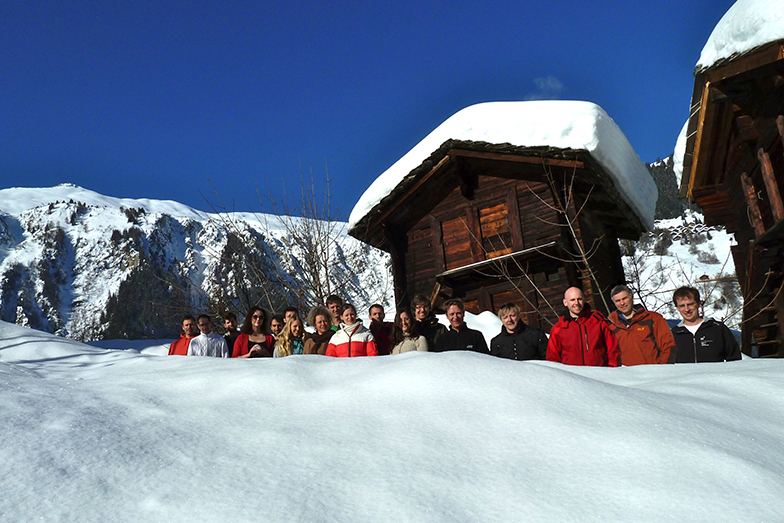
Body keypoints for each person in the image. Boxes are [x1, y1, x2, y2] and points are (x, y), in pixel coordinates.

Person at [546, 287, 620, 367]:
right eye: (572, 300)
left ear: (584, 300)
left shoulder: (598, 322)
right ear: (565, 302)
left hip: (599, 373)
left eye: (579, 299)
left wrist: (612, 369)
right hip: (572, 375)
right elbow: (552, 358)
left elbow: (613, 349)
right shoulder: (559, 328)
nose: (576, 303)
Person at [607, 285, 676, 366]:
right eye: (618, 301)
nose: (622, 303)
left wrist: (663, 369)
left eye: (625, 298)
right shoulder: (611, 325)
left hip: (652, 373)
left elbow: (668, 346)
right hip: (625, 375)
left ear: (632, 298)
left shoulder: (652, 318)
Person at [670, 286, 741, 363]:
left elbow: (735, 361)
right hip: (686, 375)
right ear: (677, 308)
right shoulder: (673, 335)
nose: (687, 309)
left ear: (699, 304)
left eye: (690, 304)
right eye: (682, 306)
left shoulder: (717, 329)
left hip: (715, 375)